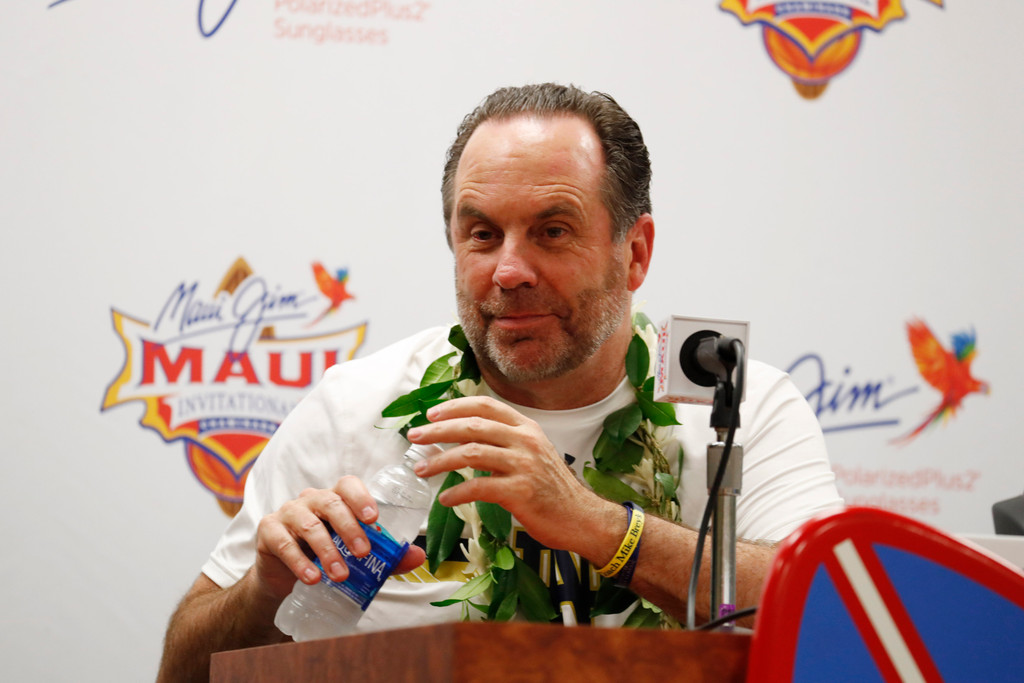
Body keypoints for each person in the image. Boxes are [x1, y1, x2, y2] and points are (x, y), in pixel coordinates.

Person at [156, 83, 843, 681]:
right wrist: (264, 590)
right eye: (482, 233)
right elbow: (181, 676)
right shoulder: (354, 407)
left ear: (634, 252)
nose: (509, 271)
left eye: (552, 231)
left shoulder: (741, 404)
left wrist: (598, 526)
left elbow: (837, 622)